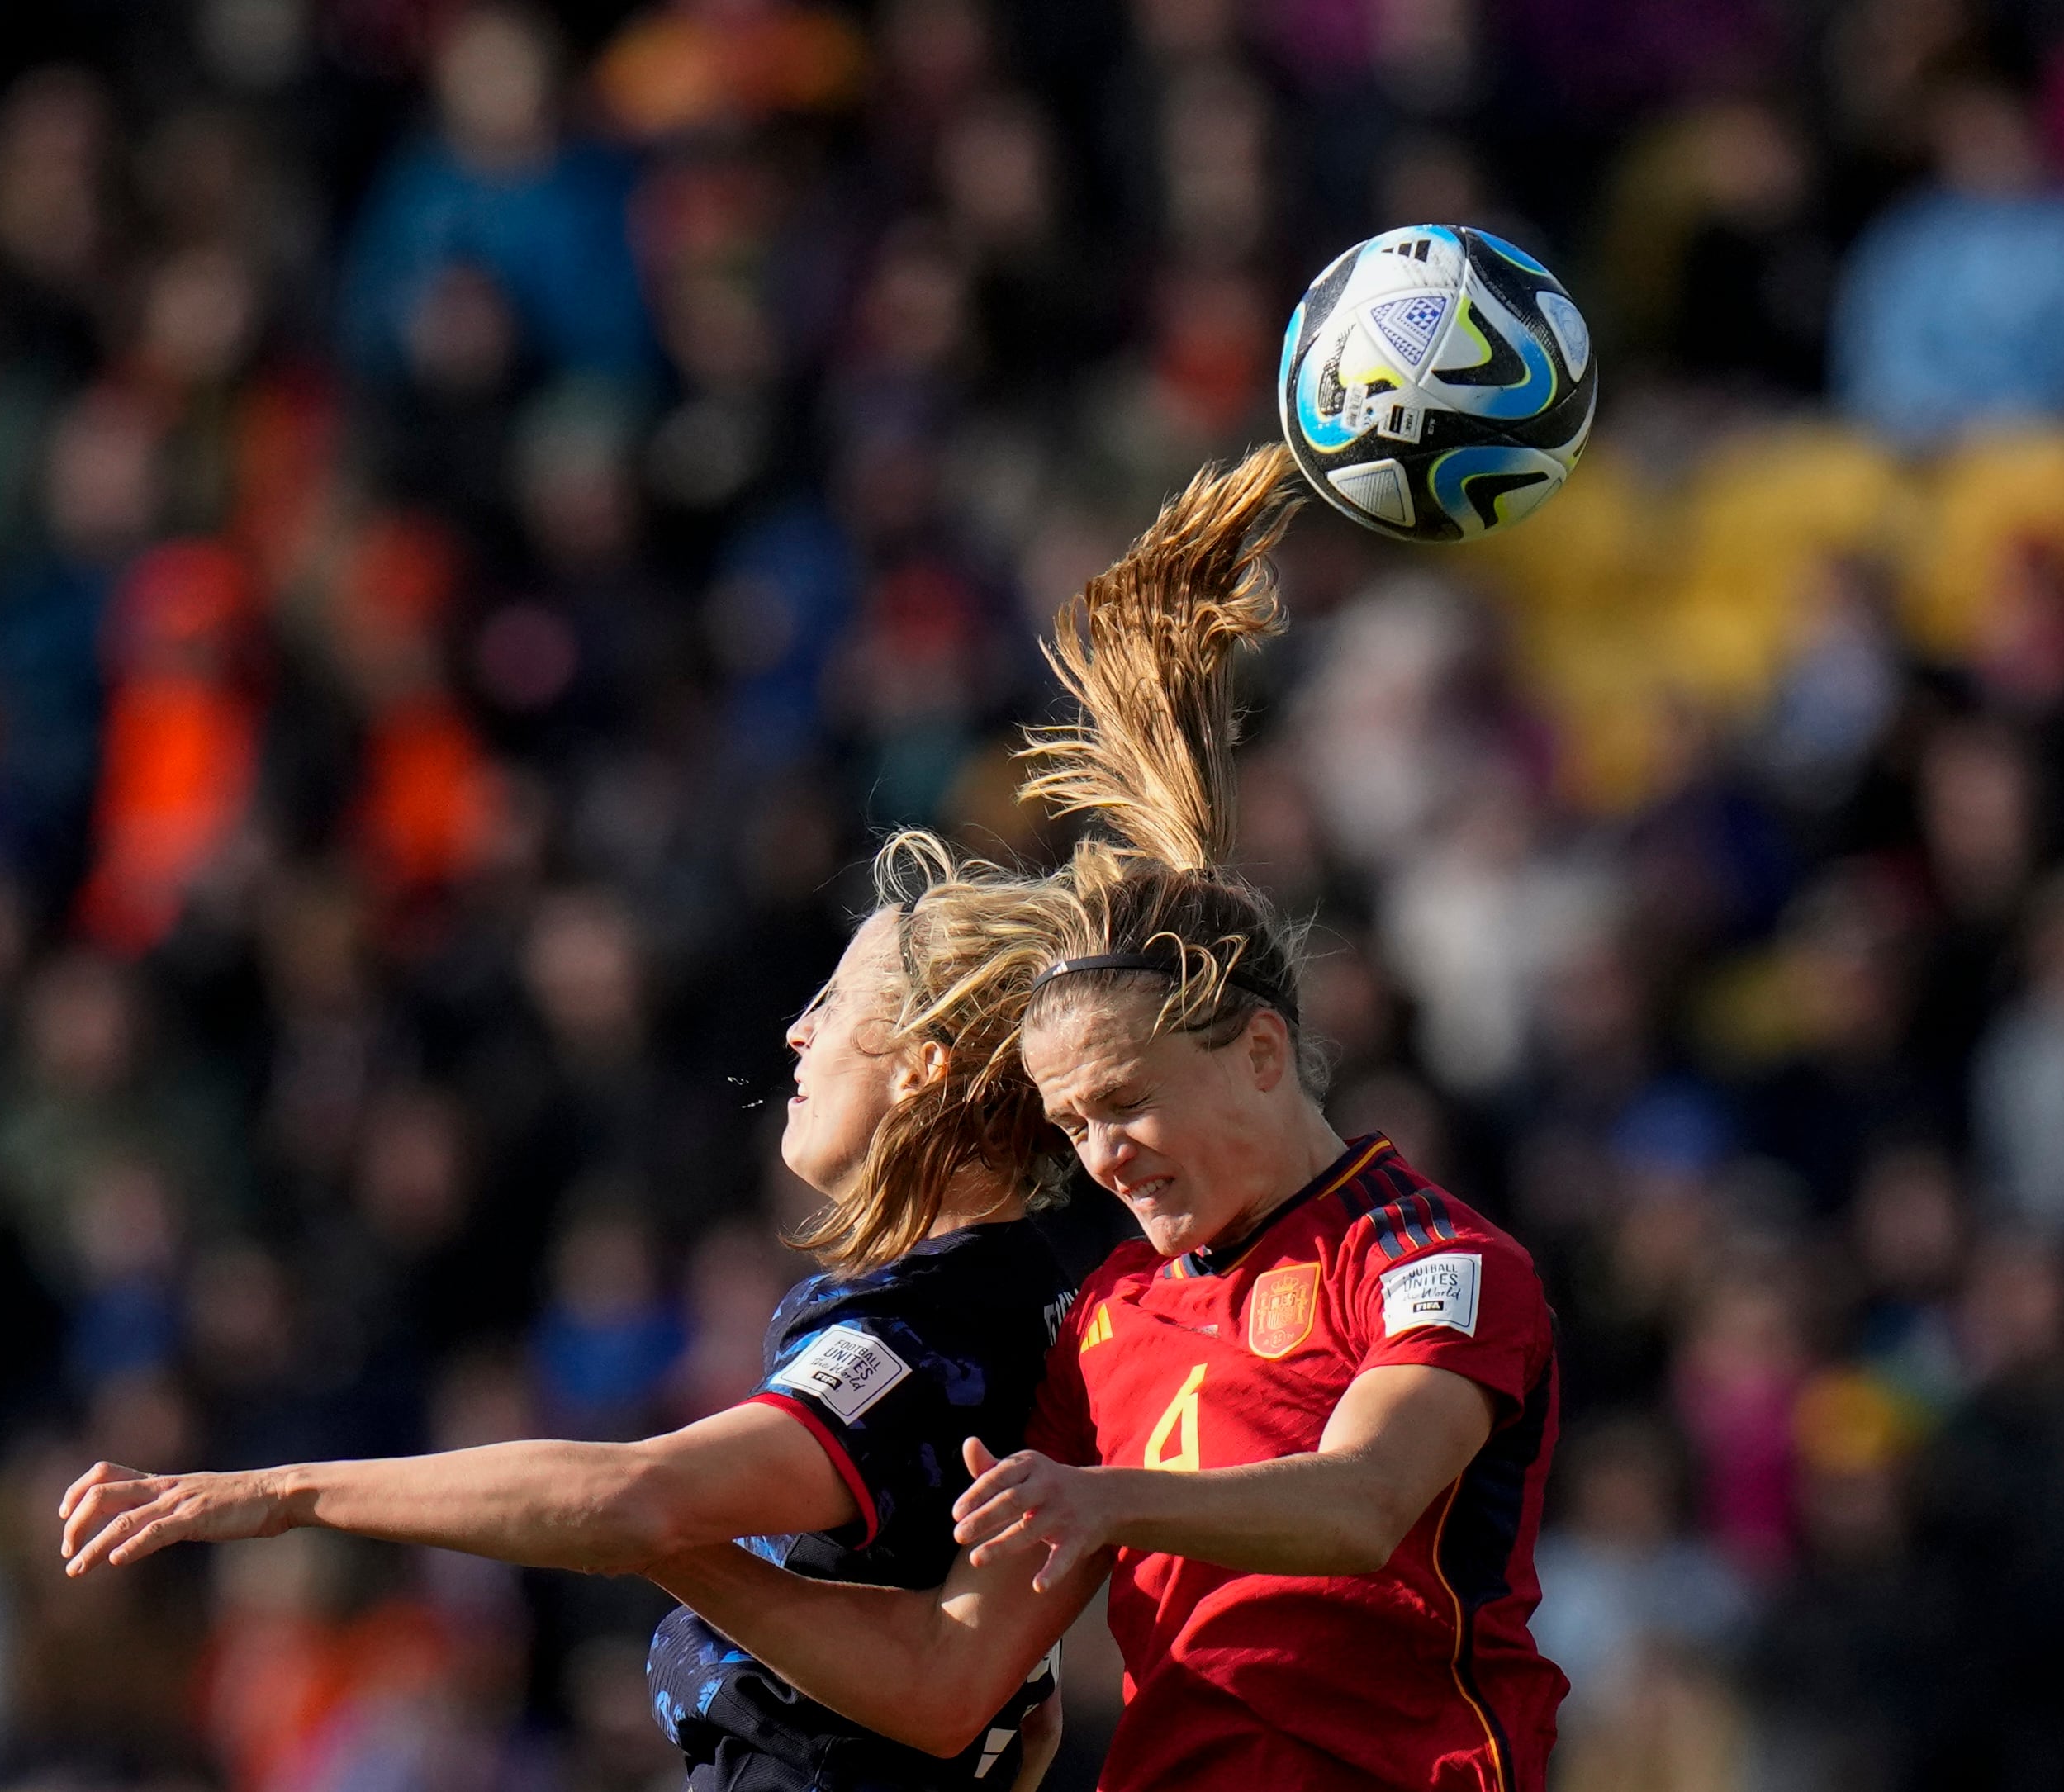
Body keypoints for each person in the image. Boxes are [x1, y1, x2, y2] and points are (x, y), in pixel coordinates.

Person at [645, 446, 1568, 1792]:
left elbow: (1363, 1505)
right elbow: (943, 1680)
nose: (1102, 1154)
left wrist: (1106, 1501)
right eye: (1074, 1123)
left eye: (1127, 1104)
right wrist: (659, 1541)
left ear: (1264, 1053)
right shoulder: (1105, 1321)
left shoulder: (1438, 1265)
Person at [56, 836, 1114, 1792]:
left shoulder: (923, 1335)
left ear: (925, 1065)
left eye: (835, 1005)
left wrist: (286, 1492)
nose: (797, 1031)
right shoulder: (1028, 1297)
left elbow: (637, 1499)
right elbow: (1014, 1717)